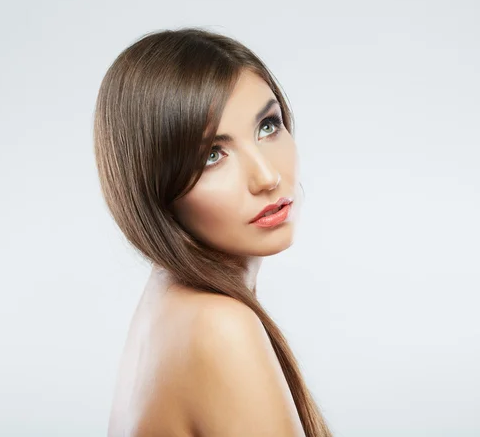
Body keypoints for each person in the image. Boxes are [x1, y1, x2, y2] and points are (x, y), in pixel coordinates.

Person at [93, 27, 333, 437]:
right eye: (212, 155)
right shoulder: (217, 325)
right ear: (154, 186)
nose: (267, 176)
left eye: (268, 126)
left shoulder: (169, 305)